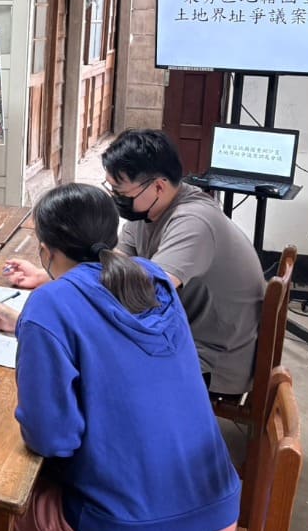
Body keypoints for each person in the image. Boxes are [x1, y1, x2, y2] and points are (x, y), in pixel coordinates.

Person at [0, 183, 240, 531]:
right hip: (218, 511)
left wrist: (34, 325)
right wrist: (24, 324)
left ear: (44, 250)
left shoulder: (49, 304)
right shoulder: (152, 278)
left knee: (9, 495)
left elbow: (52, 438)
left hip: (128, 523)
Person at [100, 128, 266, 396]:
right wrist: (57, 274)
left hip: (212, 361)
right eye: (111, 188)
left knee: (97, 369)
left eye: (121, 192)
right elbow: (116, 264)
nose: (117, 199)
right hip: (181, 336)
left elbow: (144, 291)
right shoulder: (148, 210)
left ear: (158, 186)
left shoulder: (193, 222)